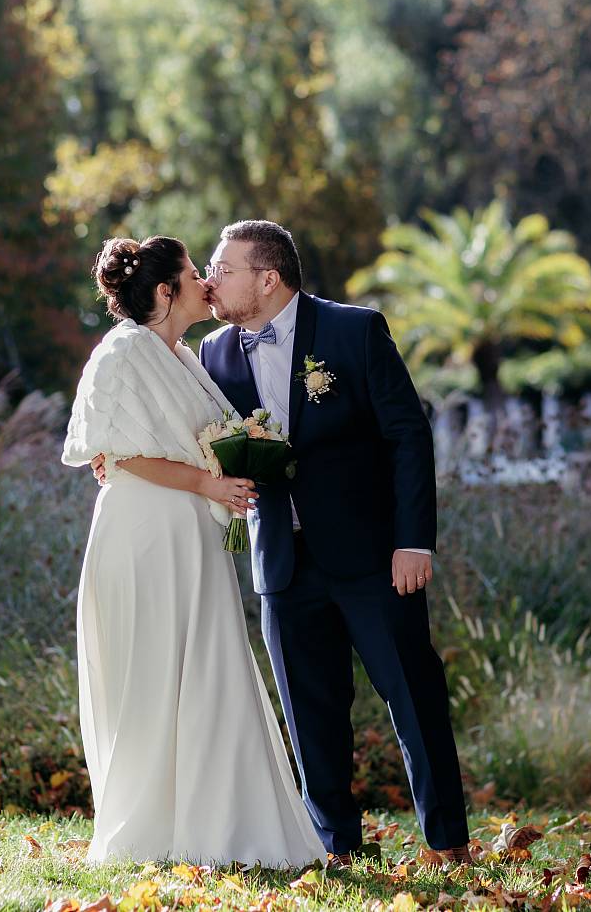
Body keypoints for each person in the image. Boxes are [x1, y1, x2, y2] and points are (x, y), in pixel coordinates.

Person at [196, 219, 472, 865]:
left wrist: (415, 542)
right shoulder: (213, 355)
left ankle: (447, 843)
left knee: (414, 698)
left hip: (375, 557)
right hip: (283, 565)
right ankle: (337, 847)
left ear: (267, 278)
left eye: (223, 268)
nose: (210, 281)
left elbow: (408, 434)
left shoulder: (355, 330)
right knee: (311, 716)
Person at [61, 235, 326, 868]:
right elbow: (121, 455)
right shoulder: (123, 352)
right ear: (164, 292)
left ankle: (225, 826)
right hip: (145, 533)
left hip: (192, 534)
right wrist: (210, 482)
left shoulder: (183, 354)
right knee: (154, 673)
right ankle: (151, 829)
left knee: (207, 666)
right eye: (193, 273)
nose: (208, 281)